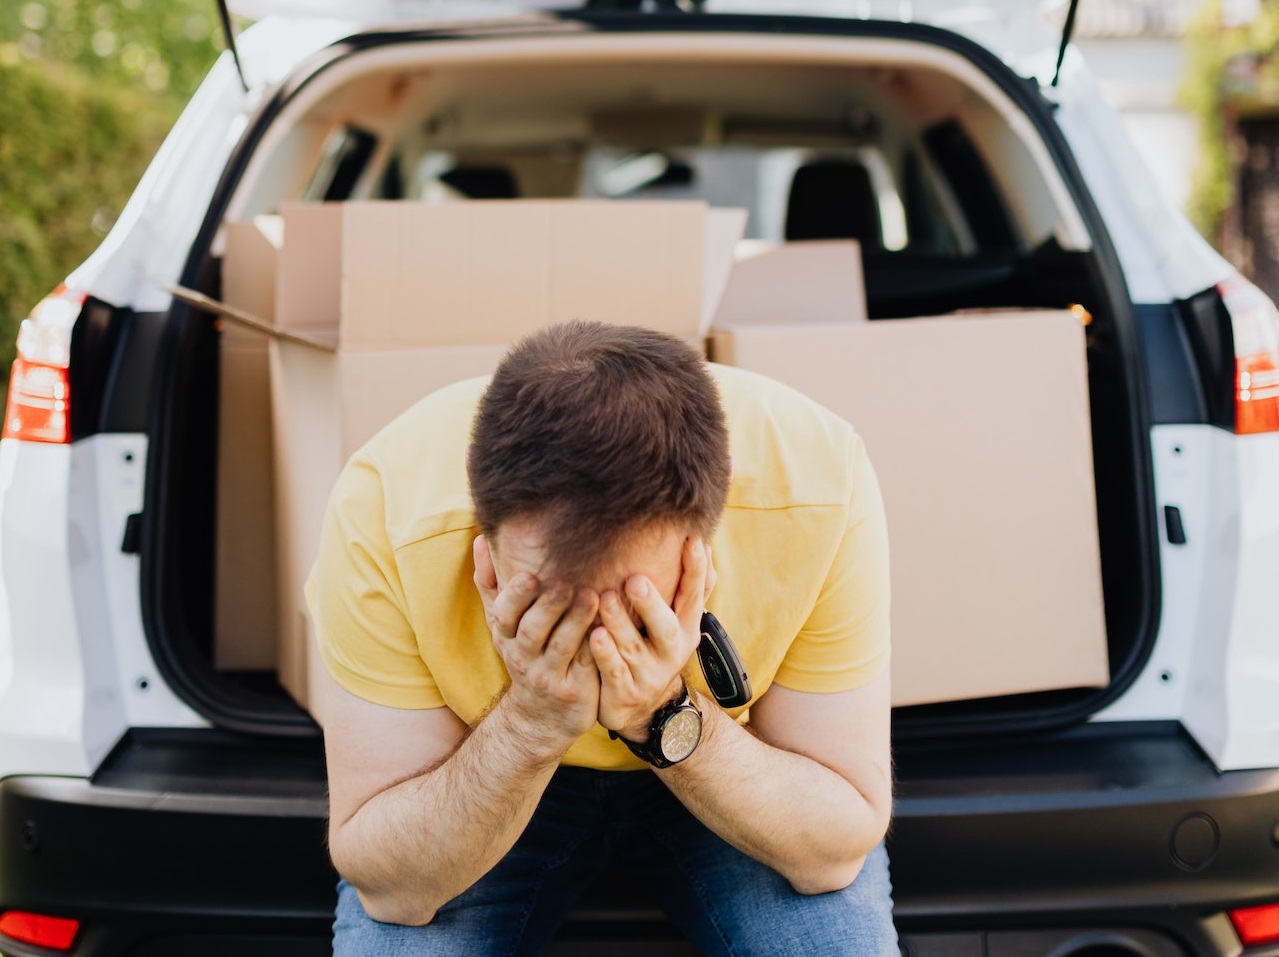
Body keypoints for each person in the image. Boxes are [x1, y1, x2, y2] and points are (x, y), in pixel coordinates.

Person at [310, 320, 896, 956]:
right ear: (479, 518)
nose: (597, 644)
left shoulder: (819, 482)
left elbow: (833, 853)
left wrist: (659, 713)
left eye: (634, 607)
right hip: (475, 775)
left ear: (713, 509)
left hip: (740, 763)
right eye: (549, 604)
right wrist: (531, 723)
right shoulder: (387, 507)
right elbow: (391, 889)